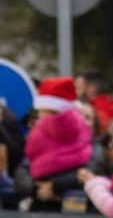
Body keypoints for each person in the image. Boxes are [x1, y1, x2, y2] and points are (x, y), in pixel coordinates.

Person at [27, 77, 94, 209]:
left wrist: (51, 186)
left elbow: (94, 168)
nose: (39, 115)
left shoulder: (38, 133)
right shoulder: (85, 132)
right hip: (73, 204)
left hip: (53, 203)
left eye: (41, 110)